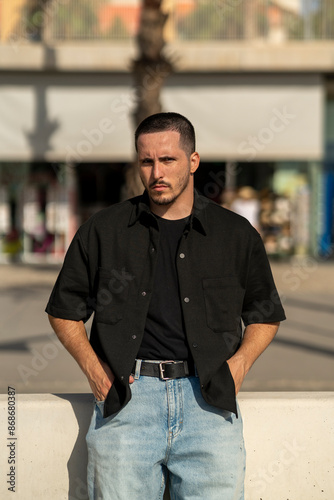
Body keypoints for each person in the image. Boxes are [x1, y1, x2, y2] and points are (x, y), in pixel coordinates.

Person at [46, 112, 286, 500]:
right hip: (127, 406)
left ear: (192, 161)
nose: (157, 171)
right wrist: (94, 370)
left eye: (168, 160)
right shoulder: (104, 230)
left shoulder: (235, 235)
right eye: (147, 161)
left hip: (209, 405)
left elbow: (264, 313)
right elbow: (64, 309)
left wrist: (239, 366)